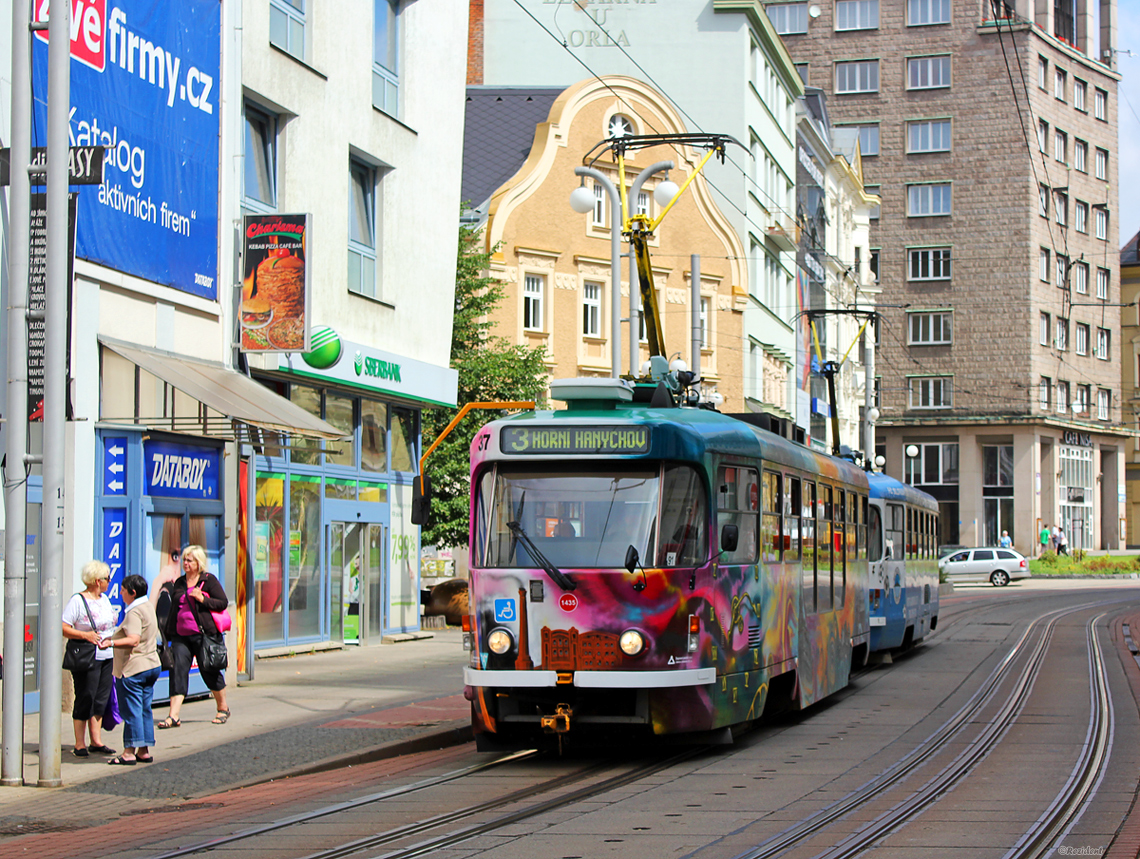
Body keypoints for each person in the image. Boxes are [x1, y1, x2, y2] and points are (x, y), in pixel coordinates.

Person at [158, 545, 231, 728]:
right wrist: (168, 633)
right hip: (181, 636)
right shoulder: (180, 582)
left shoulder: (208, 580)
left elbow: (222, 602)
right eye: (184, 560)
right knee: (177, 672)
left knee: (209, 670)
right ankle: (173, 716)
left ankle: (223, 708)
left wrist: (203, 599)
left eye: (189, 560)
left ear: (198, 563)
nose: (185, 563)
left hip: (203, 635)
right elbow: (175, 608)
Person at [99, 574, 161, 765]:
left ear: (132, 593)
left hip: (135, 667)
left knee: (132, 710)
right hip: (151, 664)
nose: (121, 593)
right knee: (144, 709)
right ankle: (143, 750)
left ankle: (128, 752)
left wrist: (110, 643)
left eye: (123, 590)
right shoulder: (148, 606)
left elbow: (133, 639)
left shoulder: (134, 612)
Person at [61, 560, 119, 757]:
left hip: (106, 655)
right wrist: (85, 635)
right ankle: (79, 743)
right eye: (107, 578)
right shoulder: (78, 600)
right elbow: (64, 627)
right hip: (86, 655)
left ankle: (96, 740)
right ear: (97, 581)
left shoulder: (104, 599)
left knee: (101, 698)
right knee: (85, 696)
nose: (109, 581)